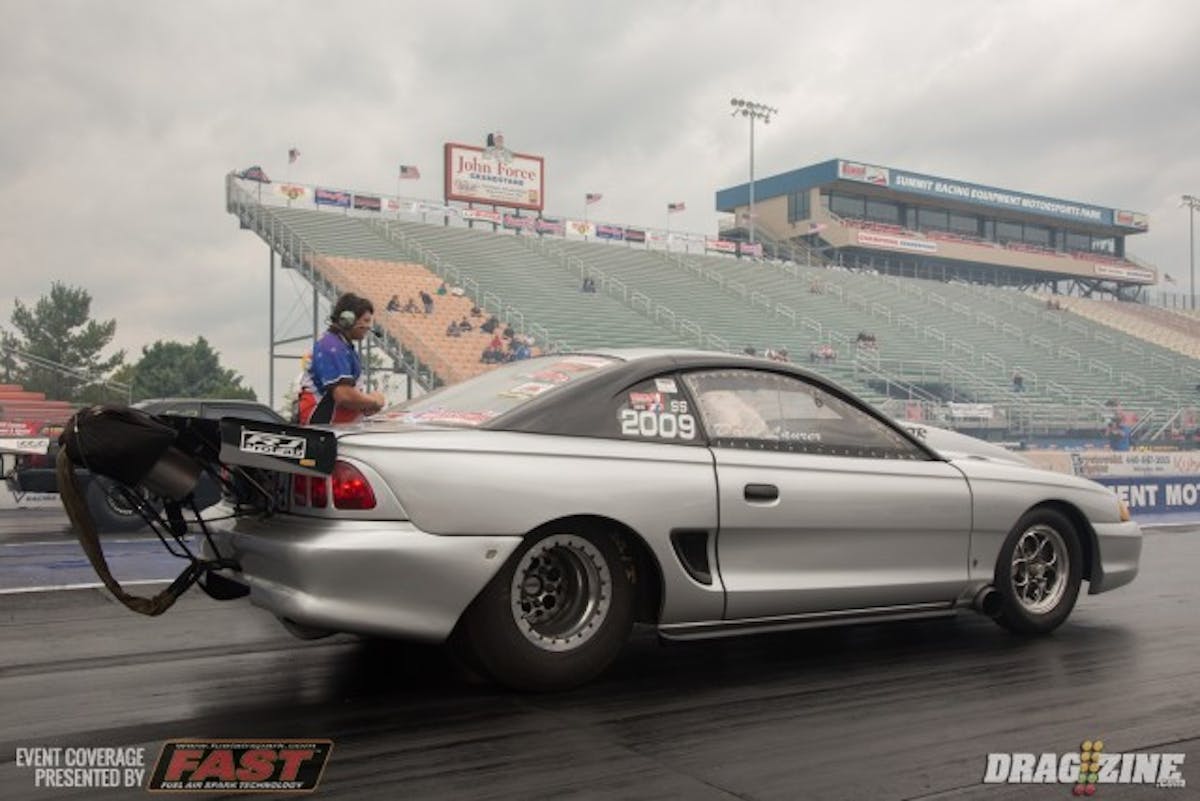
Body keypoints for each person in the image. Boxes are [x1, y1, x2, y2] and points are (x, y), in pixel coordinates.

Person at [298, 293, 386, 425]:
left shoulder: (342, 345)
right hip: (324, 429)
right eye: (366, 321)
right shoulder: (332, 346)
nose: (369, 327)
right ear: (348, 319)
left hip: (333, 427)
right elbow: (344, 395)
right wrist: (374, 400)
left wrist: (364, 405)